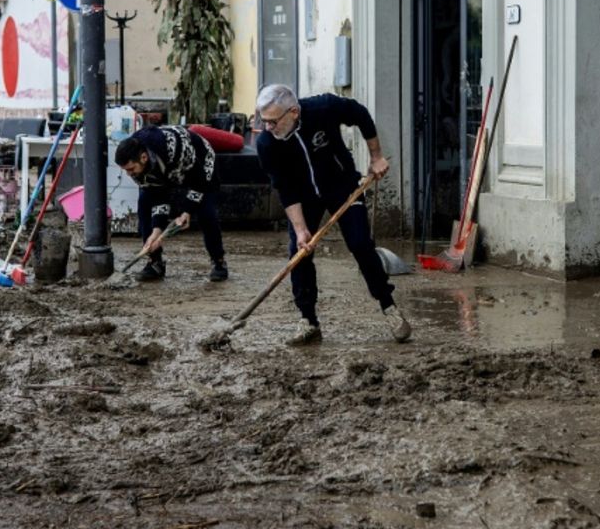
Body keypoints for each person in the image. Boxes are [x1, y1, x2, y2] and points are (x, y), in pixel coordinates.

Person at [255, 84, 410, 346]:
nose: (268, 127)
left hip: (342, 186)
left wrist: (376, 157)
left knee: (360, 244)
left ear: (293, 112)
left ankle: (389, 307)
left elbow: (360, 114)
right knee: (299, 252)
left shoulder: (323, 107)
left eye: (272, 121)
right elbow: (284, 188)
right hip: (303, 198)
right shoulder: (267, 143)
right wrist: (302, 229)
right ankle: (308, 321)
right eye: (264, 121)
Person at [115, 124, 227, 283]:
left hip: (199, 165)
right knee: (144, 204)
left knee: (206, 211)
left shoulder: (176, 148)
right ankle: (155, 262)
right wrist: (156, 232)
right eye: (126, 170)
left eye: (131, 169)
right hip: (166, 171)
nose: (129, 174)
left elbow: (200, 181)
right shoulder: (137, 168)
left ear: (143, 157)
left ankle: (219, 261)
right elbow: (158, 197)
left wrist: (187, 211)